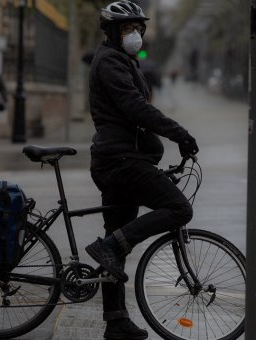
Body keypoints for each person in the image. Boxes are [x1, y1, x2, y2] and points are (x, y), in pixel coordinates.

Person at [84, 1, 199, 339]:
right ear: (112, 32)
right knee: (179, 208)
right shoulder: (110, 63)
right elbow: (135, 108)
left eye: (138, 28)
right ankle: (112, 246)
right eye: (127, 29)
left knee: (115, 244)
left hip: (120, 160)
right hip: (121, 162)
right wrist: (179, 133)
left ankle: (116, 322)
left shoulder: (121, 60)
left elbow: (139, 109)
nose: (135, 34)